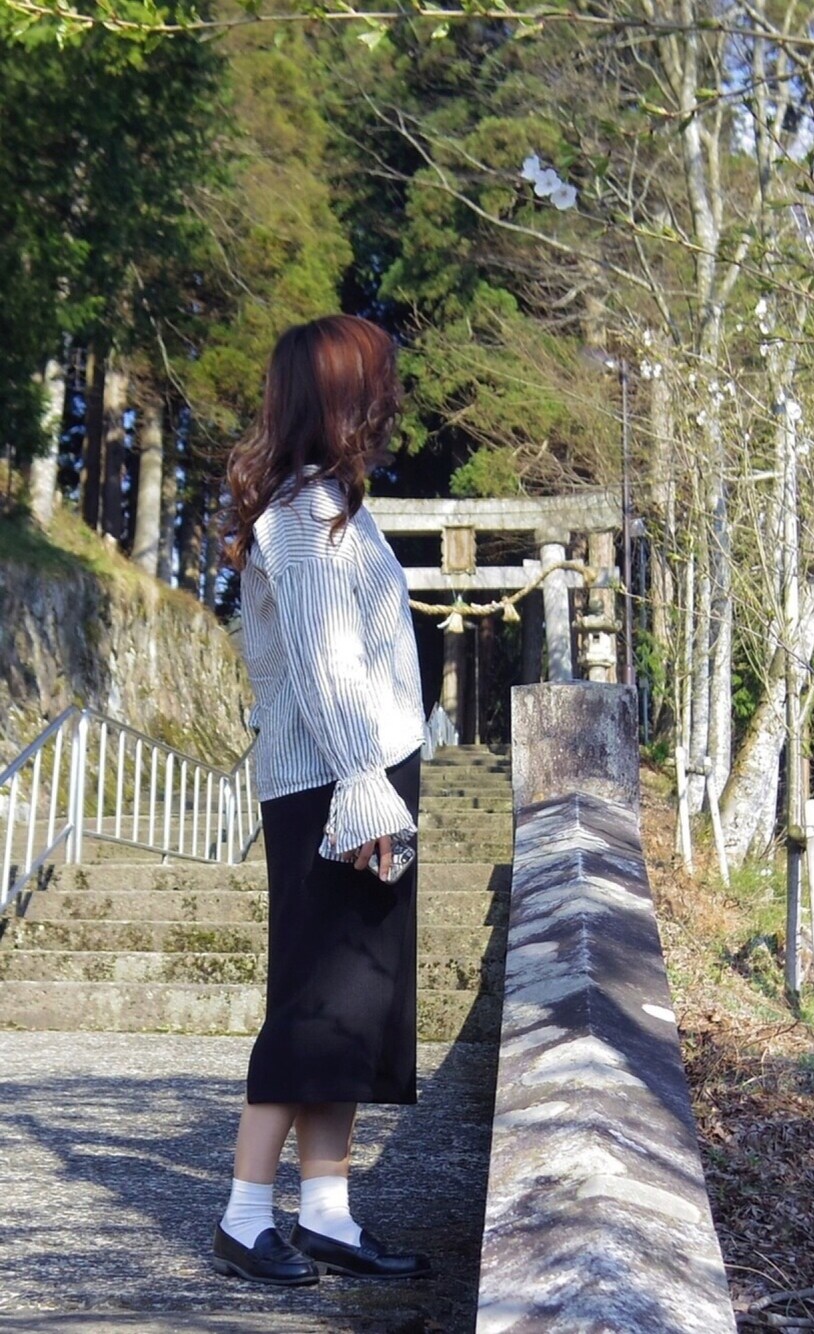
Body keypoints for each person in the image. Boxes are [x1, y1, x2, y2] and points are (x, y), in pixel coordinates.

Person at [213, 314, 430, 1286]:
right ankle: (243, 1214)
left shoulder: (332, 504)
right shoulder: (304, 513)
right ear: (344, 395)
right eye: (378, 381)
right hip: (333, 783)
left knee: (352, 1005)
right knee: (312, 999)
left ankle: (328, 1212)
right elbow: (323, 661)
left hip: (358, 775)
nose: (391, 398)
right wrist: (364, 781)